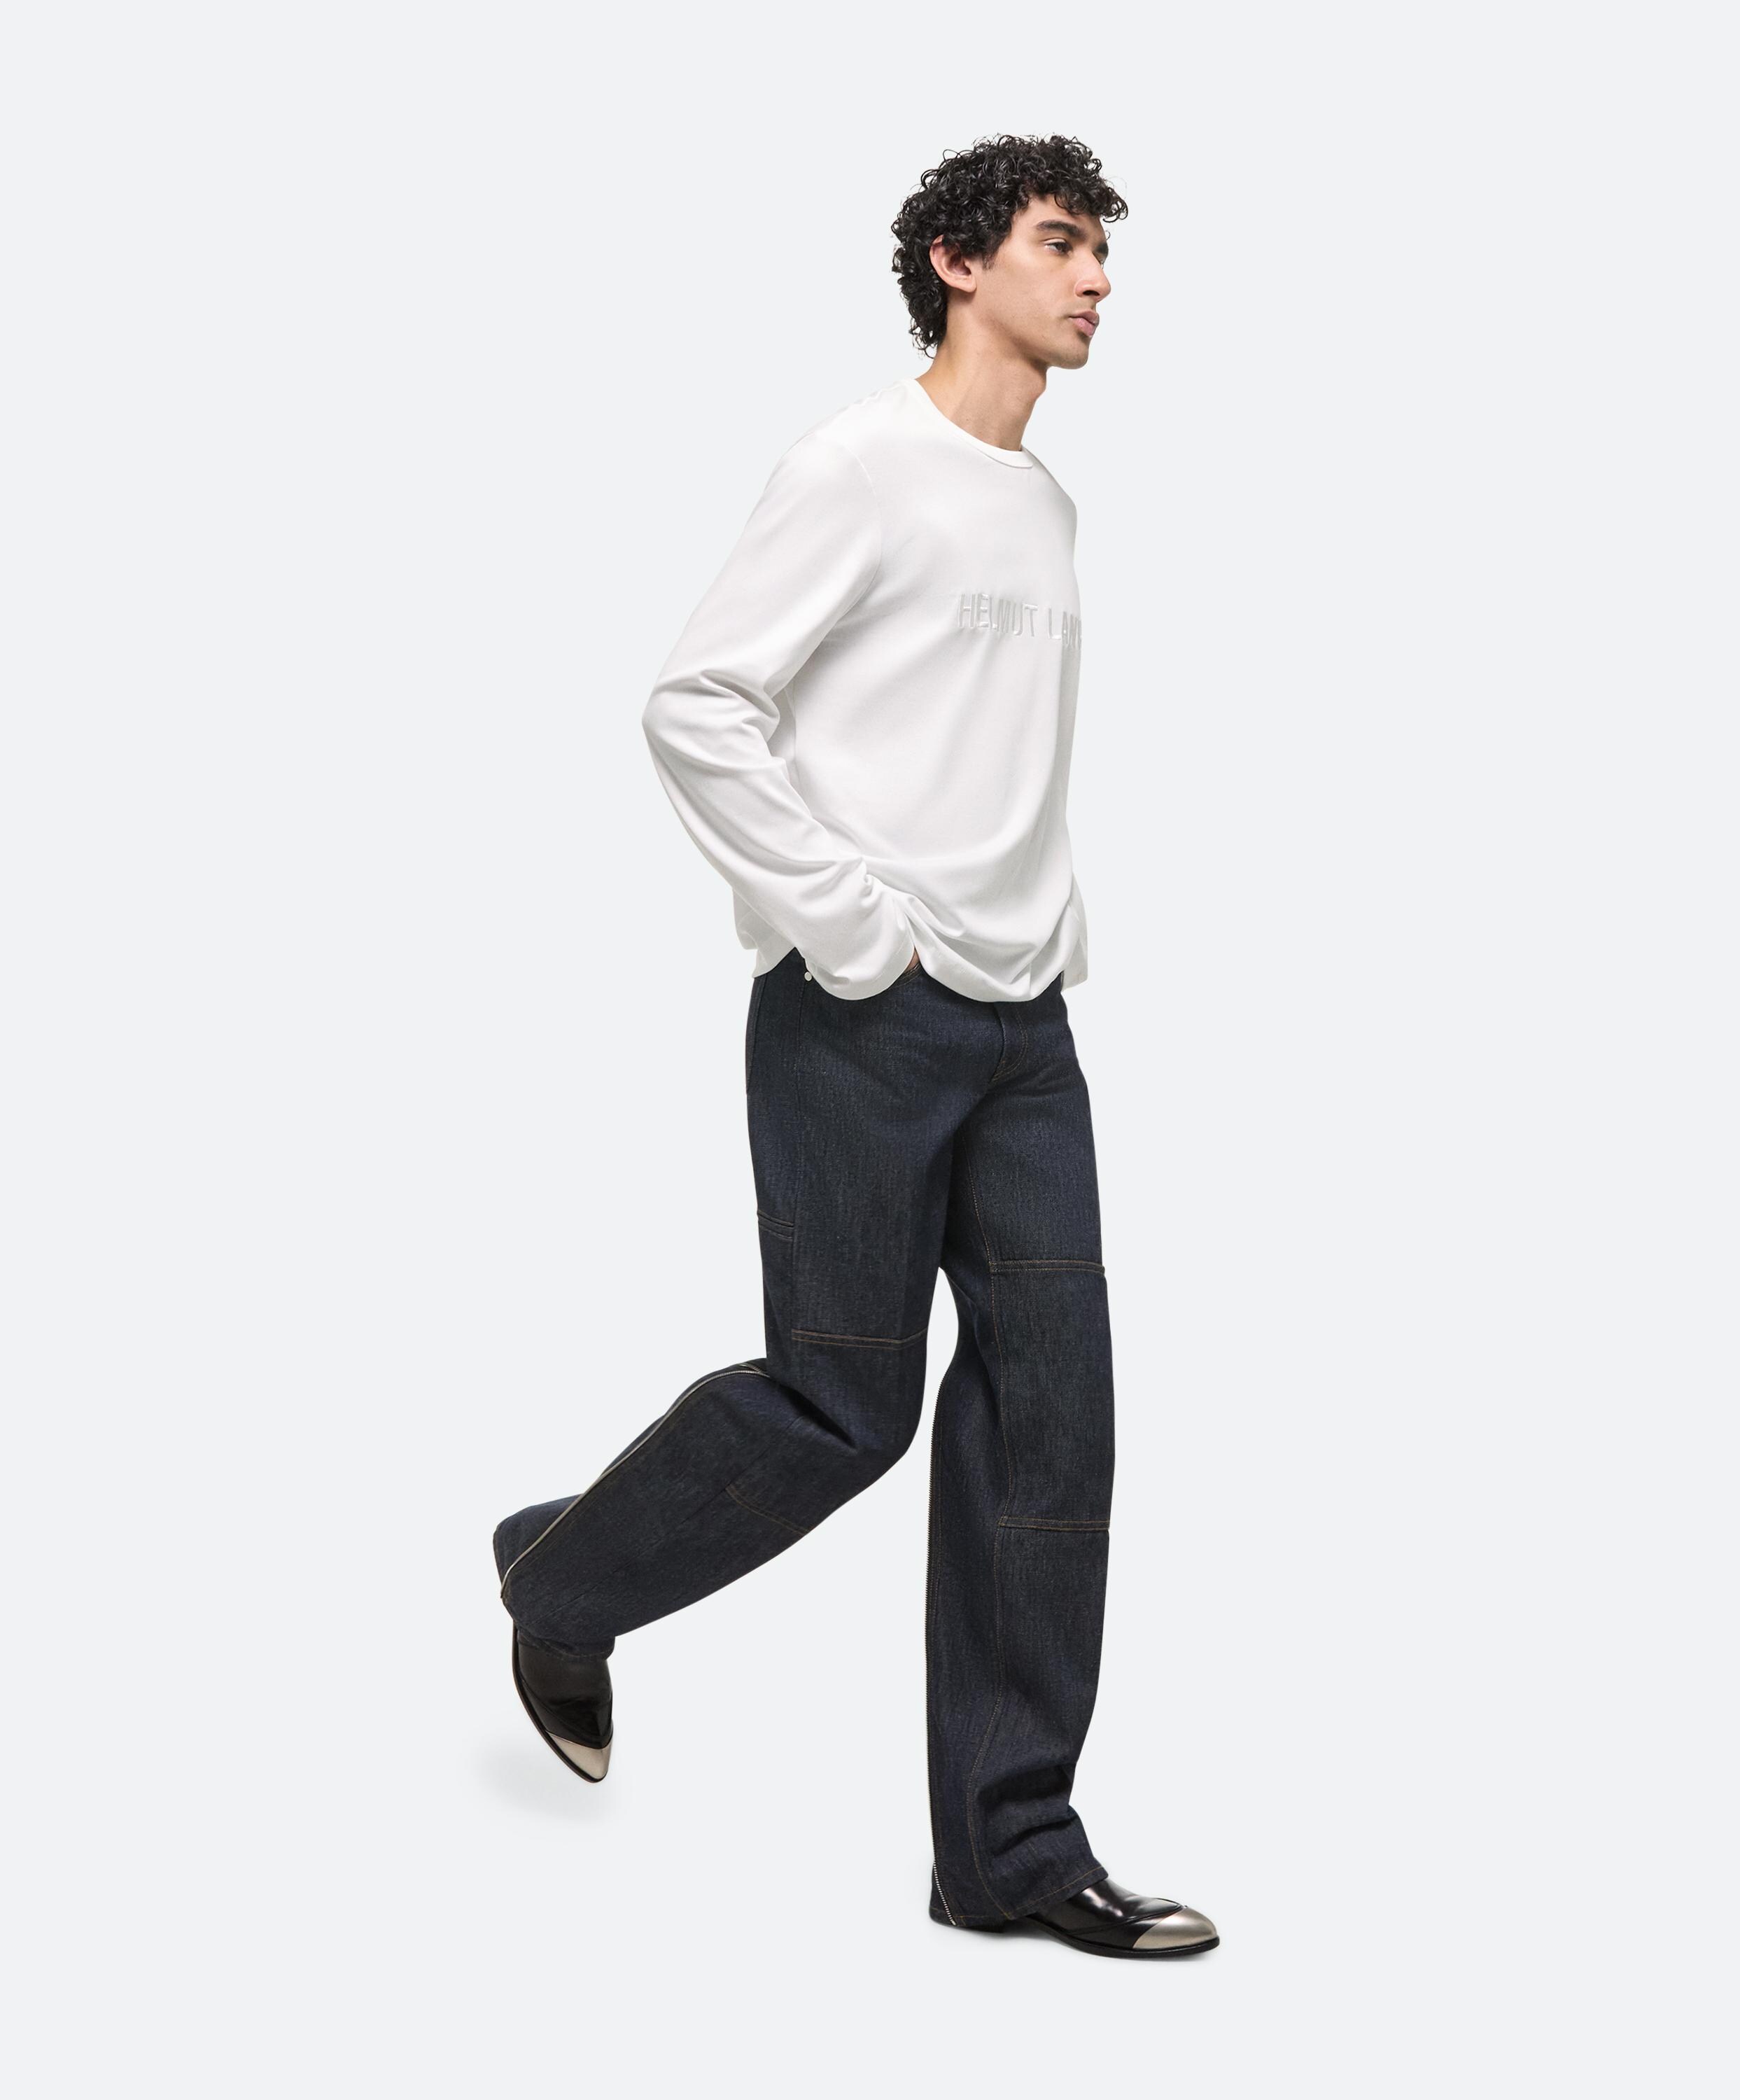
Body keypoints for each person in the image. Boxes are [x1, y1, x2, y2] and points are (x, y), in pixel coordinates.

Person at [491, 134, 1217, 1960]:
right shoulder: (855, 467)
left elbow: (980, 750)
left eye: (1105, 250)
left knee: (1054, 1422)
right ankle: (564, 1576)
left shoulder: (1046, 507)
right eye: (1063, 242)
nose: (1100, 279)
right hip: (864, 1021)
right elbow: (697, 703)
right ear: (961, 262)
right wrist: (846, 923)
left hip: (1026, 1027)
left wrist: (1040, 917)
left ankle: (1011, 1853)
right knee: (844, 1408)